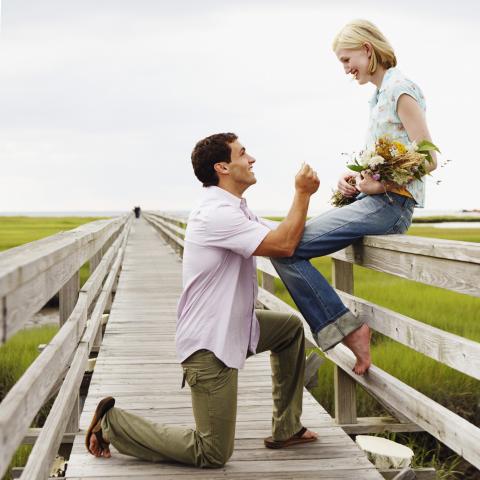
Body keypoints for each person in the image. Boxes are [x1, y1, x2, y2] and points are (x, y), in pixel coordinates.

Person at [86, 133, 320, 467]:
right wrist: (302, 193)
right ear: (222, 167)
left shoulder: (234, 209)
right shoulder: (215, 214)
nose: (251, 159)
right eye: (243, 153)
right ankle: (113, 424)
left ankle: (287, 427)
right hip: (209, 345)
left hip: (237, 326)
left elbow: (287, 232)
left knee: (290, 329)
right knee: (212, 452)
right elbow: (283, 245)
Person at [271, 19, 437, 375]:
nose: (346, 70)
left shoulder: (400, 90)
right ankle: (345, 328)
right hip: (374, 202)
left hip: (392, 206)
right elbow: (389, 160)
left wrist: (379, 187)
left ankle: (348, 330)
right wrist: (357, 178)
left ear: (367, 49)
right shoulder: (379, 96)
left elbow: (428, 157)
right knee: (285, 248)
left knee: (287, 249)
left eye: (347, 60)